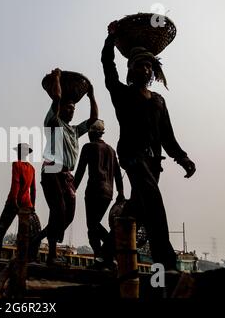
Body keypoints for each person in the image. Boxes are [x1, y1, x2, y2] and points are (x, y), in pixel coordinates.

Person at [101, 23, 196, 270]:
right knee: (153, 200)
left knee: (138, 210)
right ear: (131, 69)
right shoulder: (121, 94)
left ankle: (105, 253)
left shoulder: (159, 101)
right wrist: (110, 40)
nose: (145, 68)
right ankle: (166, 263)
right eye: (140, 64)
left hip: (154, 162)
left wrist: (182, 157)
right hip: (132, 156)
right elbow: (107, 67)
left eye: (148, 65)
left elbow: (167, 136)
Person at [32, 68, 98, 266]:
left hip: (66, 175)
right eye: (67, 108)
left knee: (67, 214)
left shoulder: (75, 130)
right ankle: (52, 254)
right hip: (51, 169)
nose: (71, 110)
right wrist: (58, 79)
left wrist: (92, 96)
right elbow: (57, 98)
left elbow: (94, 119)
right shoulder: (53, 122)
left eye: (73, 108)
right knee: (59, 210)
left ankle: (38, 238)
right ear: (60, 109)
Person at [74, 119, 124, 268]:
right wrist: (120, 193)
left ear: (91, 133)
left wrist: (72, 189)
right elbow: (117, 173)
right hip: (108, 194)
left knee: (92, 227)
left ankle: (102, 256)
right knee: (95, 225)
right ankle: (107, 257)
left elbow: (80, 171)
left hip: (94, 192)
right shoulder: (111, 150)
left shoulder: (88, 147)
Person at [0, 143, 36, 259]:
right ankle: (24, 256)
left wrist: (14, 200)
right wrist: (33, 206)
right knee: (24, 232)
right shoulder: (32, 168)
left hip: (13, 202)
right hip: (27, 203)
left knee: (2, 227)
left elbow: (16, 183)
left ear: (20, 152)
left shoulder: (16, 164)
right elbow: (33, 189)